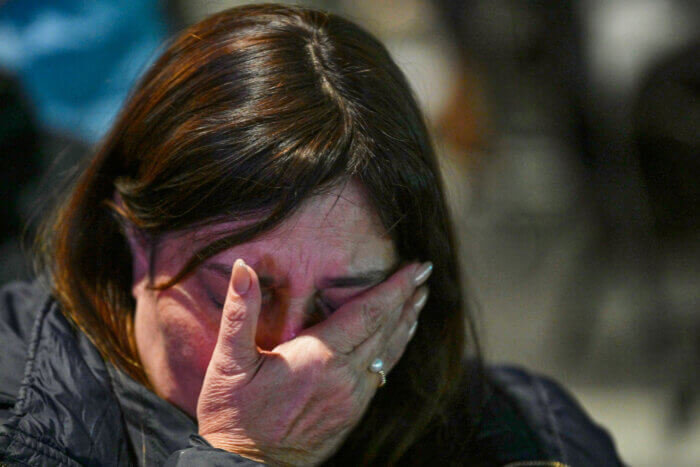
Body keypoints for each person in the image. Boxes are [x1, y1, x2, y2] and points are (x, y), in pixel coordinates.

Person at [0, 4, 623, 466]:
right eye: (237, 297)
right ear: (134, 239)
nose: (296, 354)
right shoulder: (19, 423)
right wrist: (242, 453)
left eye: (340, 303)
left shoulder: (529, 435)